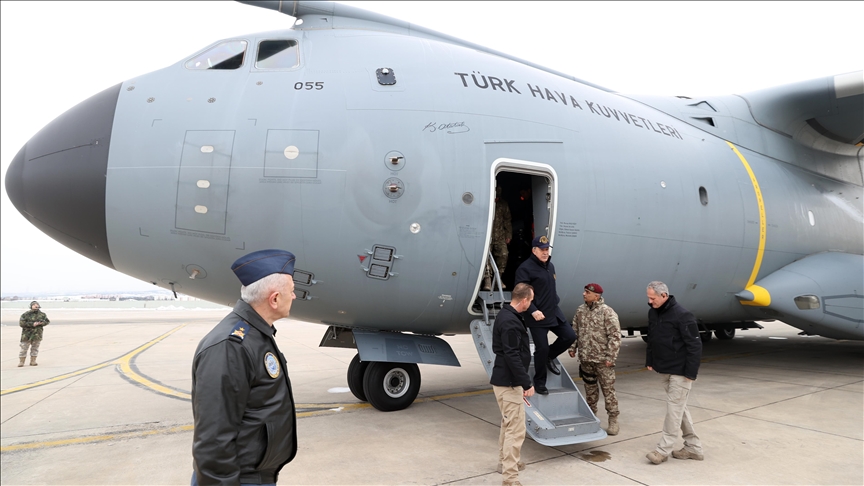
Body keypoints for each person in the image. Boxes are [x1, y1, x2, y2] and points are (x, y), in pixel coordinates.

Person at [191, 249, 299, 486]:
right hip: (238, 479)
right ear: (274, 299)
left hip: (254, 476)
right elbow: (214, 439)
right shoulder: (230, 347)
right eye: (291, 291)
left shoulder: (256, 335)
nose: (294, 296)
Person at [644, 281, 704, 465]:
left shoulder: (683, 315)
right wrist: (650, 360)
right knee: (679, 409)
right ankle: (693, 448)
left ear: (664, 296)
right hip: (664, 369)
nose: (649, 301)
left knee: (673, 411)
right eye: (648, 297)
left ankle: (663, 450)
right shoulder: (653, 312)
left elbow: (695, 345)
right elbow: (652, 338)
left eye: (652, 298)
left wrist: (691, 373)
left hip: (680, 371)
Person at [513, 235, 576, 395]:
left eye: (547, 249)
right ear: (534, 250)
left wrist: (555, 300)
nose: (545, 252)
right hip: (537, 314)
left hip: (553, 311)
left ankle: (550, 355)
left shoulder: (550, 266)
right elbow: (521, 293)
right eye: (542, 250)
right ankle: (540, 382)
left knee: (569, 336)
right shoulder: (525, 269)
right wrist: (533, 310)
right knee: (541, 348)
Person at [491, 283, 535, 486]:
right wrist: (526, 383)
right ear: (524, 300)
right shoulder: (510, 321)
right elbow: (512, 354)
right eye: (531, 300)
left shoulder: (507, 315)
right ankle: (510, 479)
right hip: (509, 383)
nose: (531, 304)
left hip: (505, 380)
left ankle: (504, 464)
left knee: (507, 425)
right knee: (516, 432)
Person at [567, 283, 621, 435]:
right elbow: (575, 330)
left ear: (596, 296)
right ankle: (591, 416)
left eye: (587, 292)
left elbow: (615, 336)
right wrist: (573, 347)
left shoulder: (607, 312)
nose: (584, 294)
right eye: (584, 292)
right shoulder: (580, 310)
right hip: (586, 359)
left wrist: (611, 357)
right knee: (590, 390)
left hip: (603, 361)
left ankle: (613, 419)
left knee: (608, 390)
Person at [19, 301, 49, 367]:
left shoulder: (42, 315)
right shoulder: (25, 314)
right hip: (27, 334)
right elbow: (21, 323)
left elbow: (47, 321)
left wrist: (41, 323)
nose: (36, 306)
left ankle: (33, 361)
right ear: (31, 306)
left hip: (37, 334)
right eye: (34, 305)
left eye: (37, 304)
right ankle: (21, 361)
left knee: (35, 348)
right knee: (24, 348)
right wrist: (32, 324)